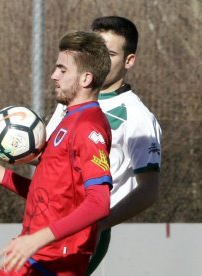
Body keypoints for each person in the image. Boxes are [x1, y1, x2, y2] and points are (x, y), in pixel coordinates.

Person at [0, 31, 112, 275]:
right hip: (34, 256)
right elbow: (49, 196)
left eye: (62, 70)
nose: (54, 76)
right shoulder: (68, 120)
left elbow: (99, 203)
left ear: (86, 78)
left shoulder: (88, 127)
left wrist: (37, 239)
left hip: (55, 260)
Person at [47, 16, 162, 275]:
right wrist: (1, 145)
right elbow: (49, 158)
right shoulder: (71, 100)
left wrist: (98, 225)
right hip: (48, 221)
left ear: (129, 61)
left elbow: (149, 190)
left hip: (84, 230)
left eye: (109, 53)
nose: (99, 60)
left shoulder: (137, 117)